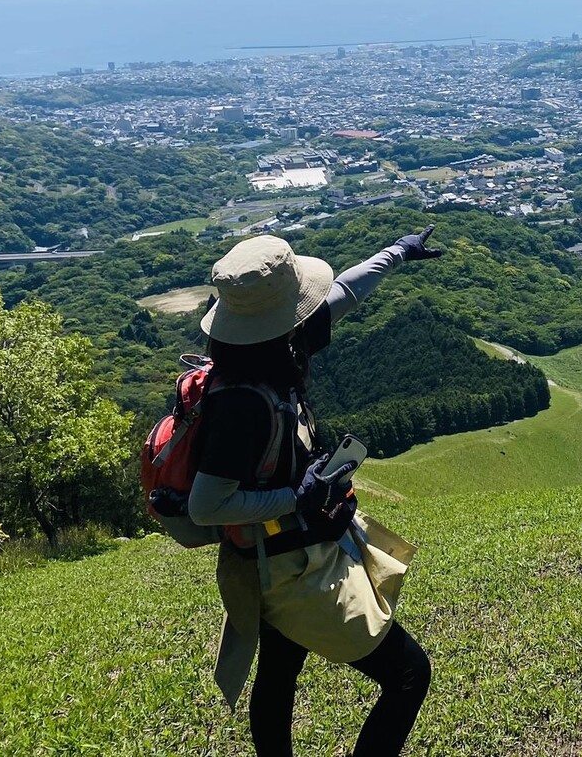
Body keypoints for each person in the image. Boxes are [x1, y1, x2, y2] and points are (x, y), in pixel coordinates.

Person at [186, 227, 444, 757]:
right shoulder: (243, 405)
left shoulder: (265, 350)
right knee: (408, 674)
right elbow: (206, 505)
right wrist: (297, 497)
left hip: (278, 556)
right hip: (287, 565)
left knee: (280, 670)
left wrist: (397, 252)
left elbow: (344, 294)